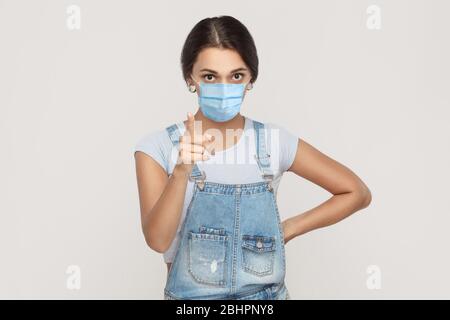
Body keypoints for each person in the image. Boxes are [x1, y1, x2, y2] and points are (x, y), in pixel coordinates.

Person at [134, 15, 372, 300]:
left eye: (236, 76)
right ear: (190, 78)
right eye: (210, 76)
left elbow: (356, 192)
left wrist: (288, 228)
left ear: (250, 80)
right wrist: (182, 170)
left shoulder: (272, 142)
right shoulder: (158, 147)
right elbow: (158, 240)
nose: (224, 88)